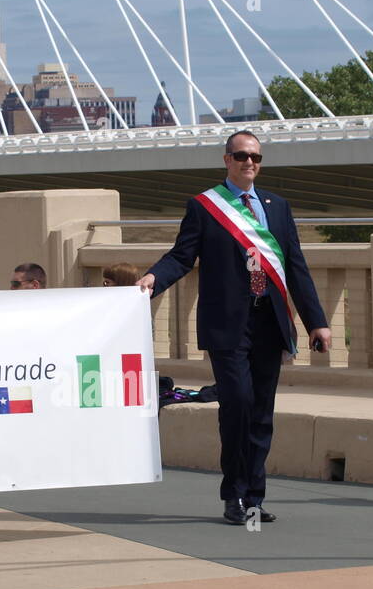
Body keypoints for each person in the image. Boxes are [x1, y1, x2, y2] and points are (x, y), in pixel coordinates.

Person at [139, 129, 330, 524]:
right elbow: (181, 256)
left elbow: (296, 267)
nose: (249, 164)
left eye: (256, 158)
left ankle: (254, 497)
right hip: (228, 324)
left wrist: (317, 322)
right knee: (237, 404)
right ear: (227, 159)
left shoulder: (278, 207)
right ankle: (233, 495)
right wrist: (153, 279)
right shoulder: (205, 206)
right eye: (242, 156)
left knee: (261, 411)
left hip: (269, 320)